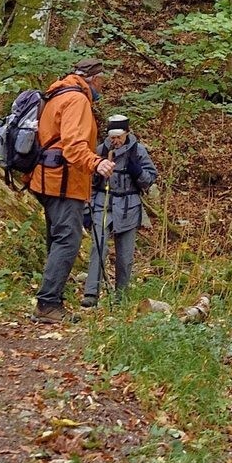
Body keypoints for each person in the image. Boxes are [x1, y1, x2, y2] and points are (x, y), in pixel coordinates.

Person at [28, 59, 112, 319]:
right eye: (102, 81)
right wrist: (96, 162)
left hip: (47, 179)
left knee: (57, 240)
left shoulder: (57, 94)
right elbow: (73, 145)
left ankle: (51, 300)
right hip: (64, 182)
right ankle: (48, 304)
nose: (102, 87)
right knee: (68, 240)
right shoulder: (76, 100)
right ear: (93, 79)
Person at [81, 113, 158, 307]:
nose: (115, 141)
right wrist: (86, 209)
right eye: (112, 137)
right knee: (98, 248)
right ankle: (91, 294)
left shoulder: (138, 152)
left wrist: (137, 172)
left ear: (127, 133)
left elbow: (150, 179)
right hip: (102, 204)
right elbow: (88, 180)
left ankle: (121, 297)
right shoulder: (100, 150)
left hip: (128, 207)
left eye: (118, 137)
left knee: (125, 255)